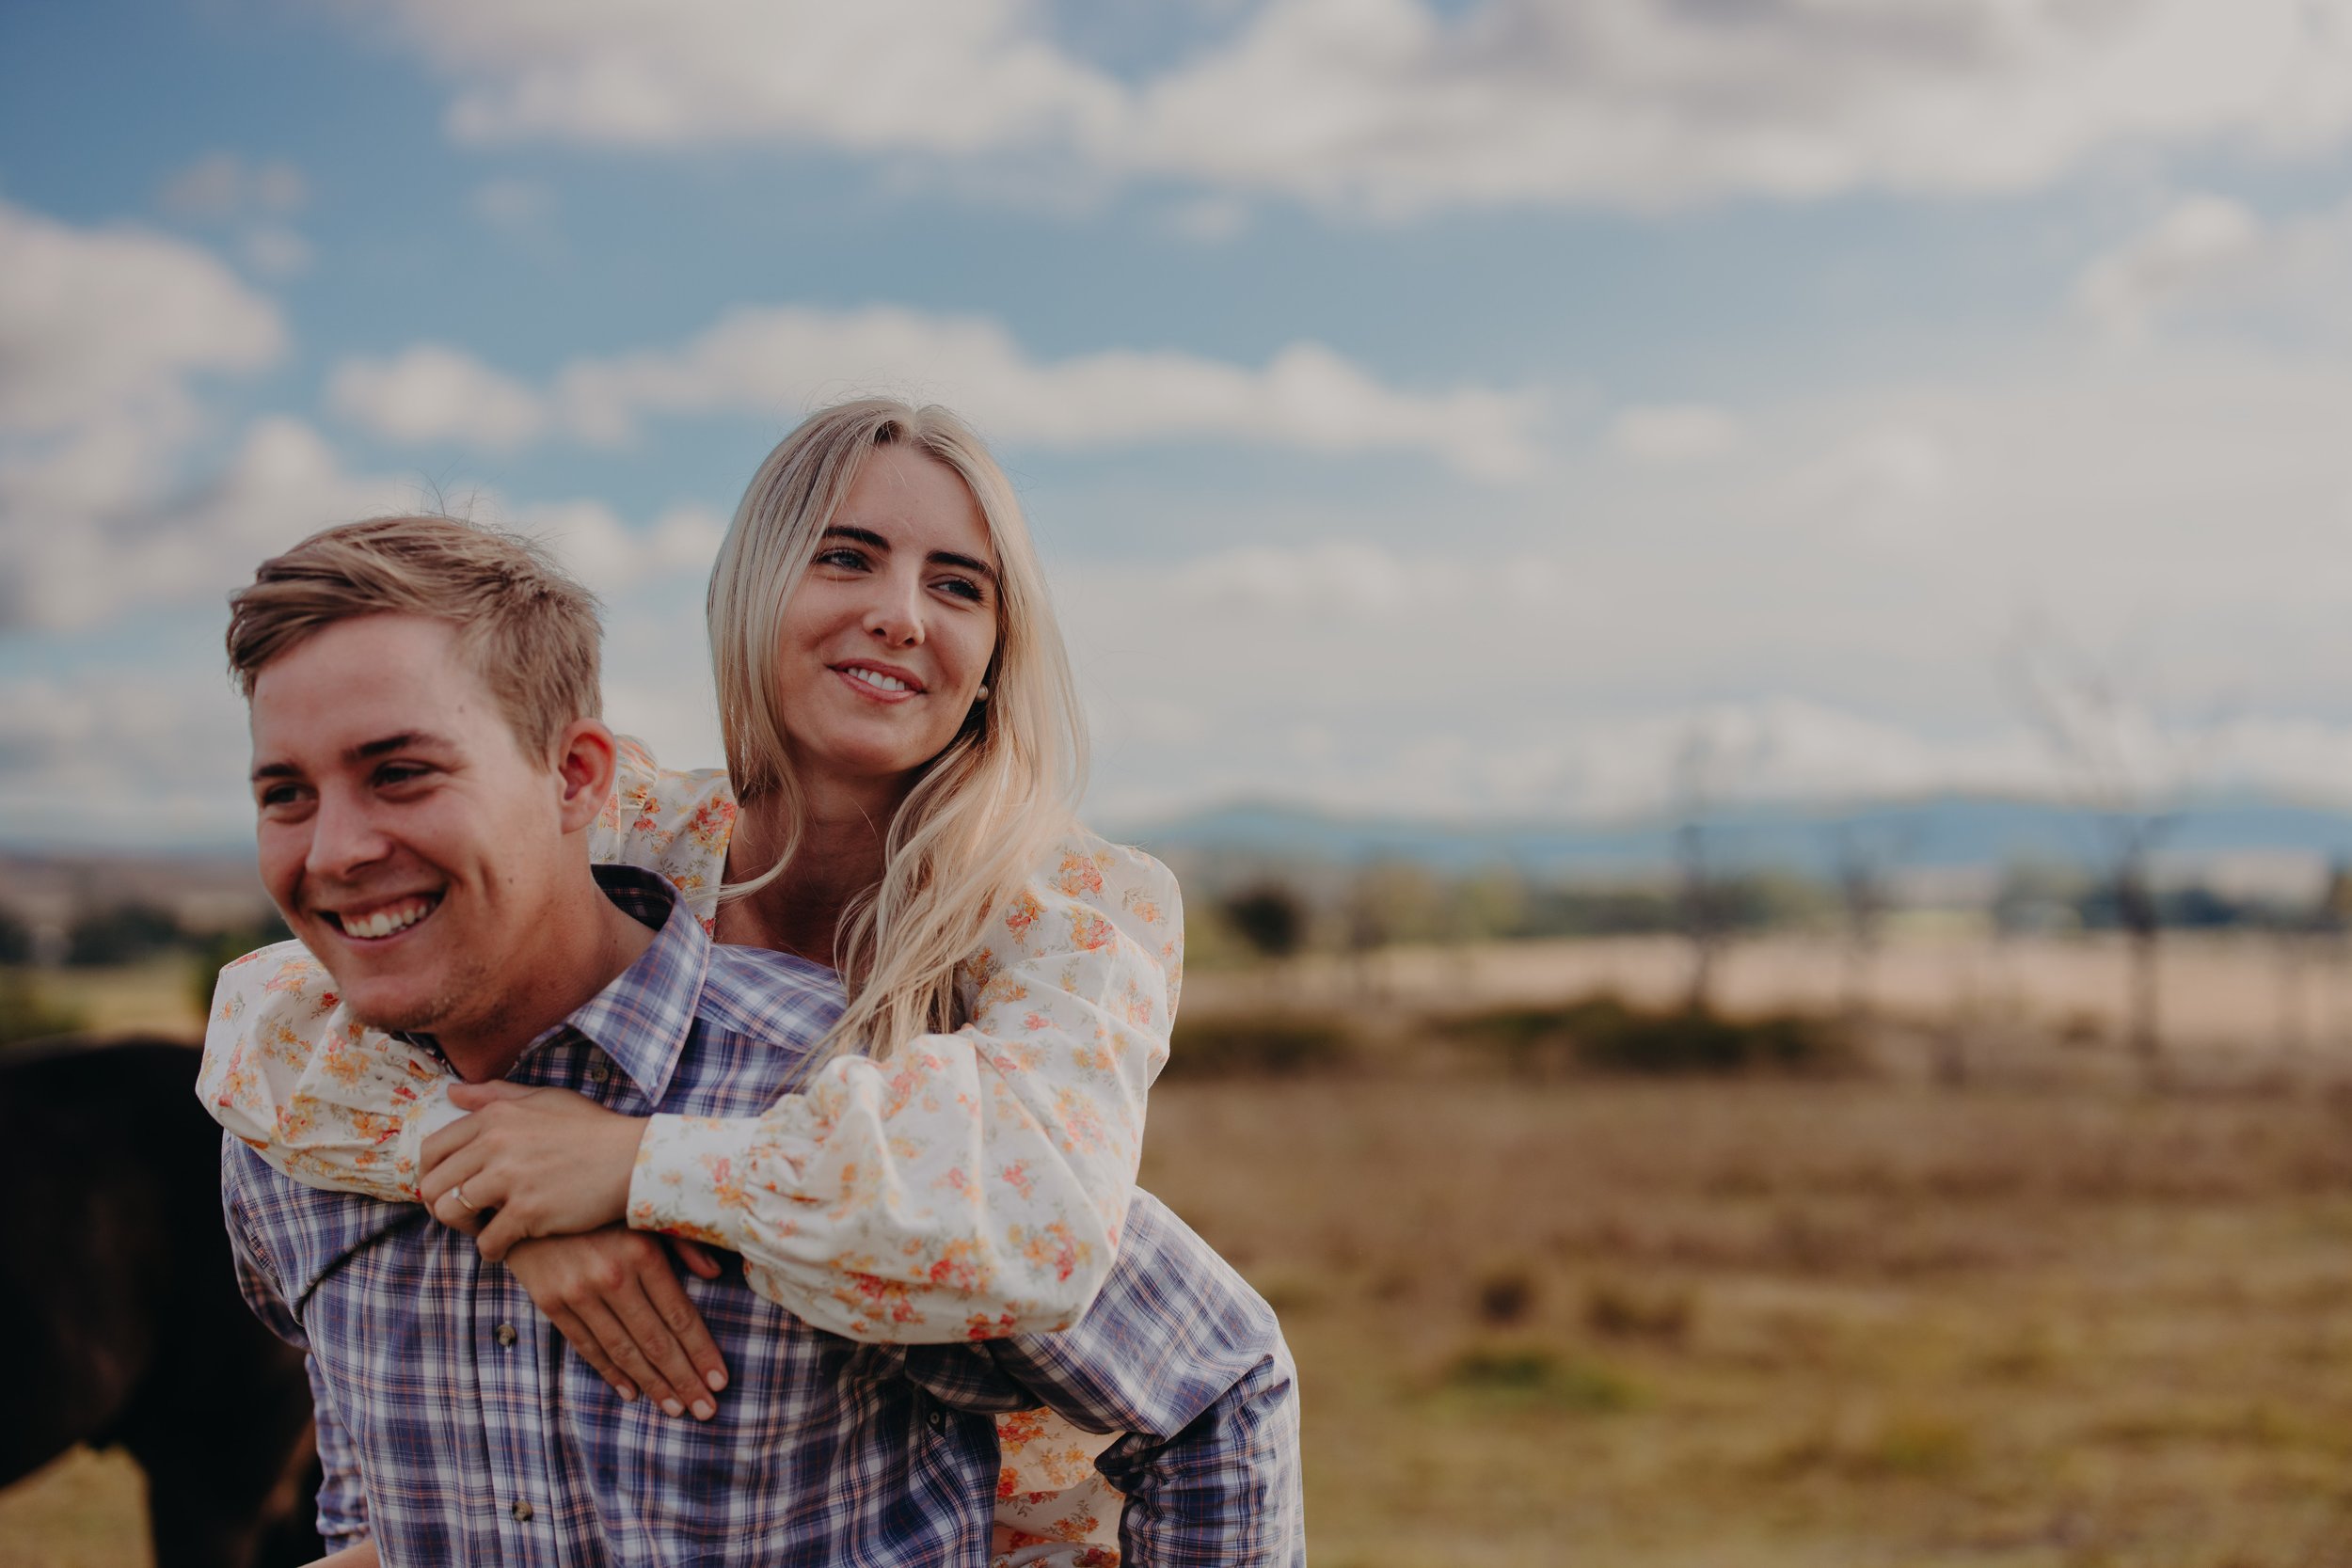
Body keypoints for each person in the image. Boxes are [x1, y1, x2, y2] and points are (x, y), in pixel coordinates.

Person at [216, 514, 1301, 1565]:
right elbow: (368, 1483)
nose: (340, 849)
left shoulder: (863, 1108)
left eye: (402, 771)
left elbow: (1214, 1383)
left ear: (578, 777)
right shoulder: (292, 1122)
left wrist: (649, 1165)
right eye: (285, 793)